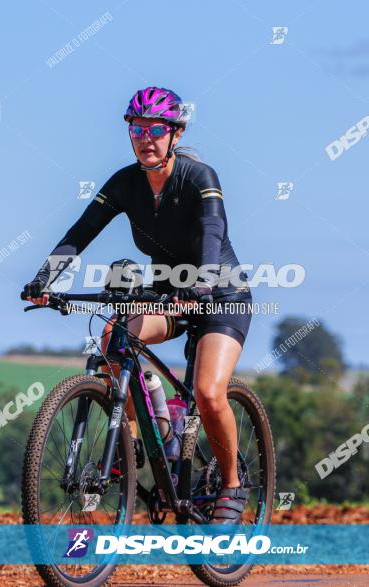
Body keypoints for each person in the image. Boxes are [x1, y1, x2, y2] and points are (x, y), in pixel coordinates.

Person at [22, 86, 253, 524]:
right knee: (115, 335)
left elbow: (211, 231)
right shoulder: (125, 183)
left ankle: (232, 485)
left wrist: (202, 283)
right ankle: (157, 436)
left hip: (220, 294)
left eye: (155, 129)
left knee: (207, 392)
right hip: (169, 294)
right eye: (136, 128)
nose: (145, 138)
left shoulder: (199, 178)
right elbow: (81, 231)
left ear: (175, 134)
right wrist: (44, 279)